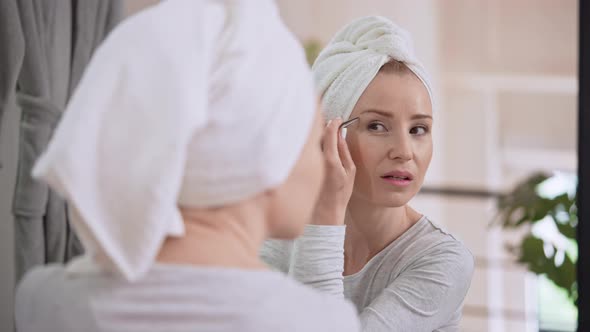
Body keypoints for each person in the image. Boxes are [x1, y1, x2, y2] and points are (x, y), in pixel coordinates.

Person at [14, 1, 360, 331]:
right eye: (315, 142)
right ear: (267, 155)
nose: (323, 166)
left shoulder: (41, 298)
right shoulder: (320, 322)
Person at [262, 16, 474, 331]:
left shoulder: (442, 260)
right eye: (377, 126)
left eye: (418, 129)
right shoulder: (281, 237)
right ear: (328, 136)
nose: (404, 150)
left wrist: (324, 215)